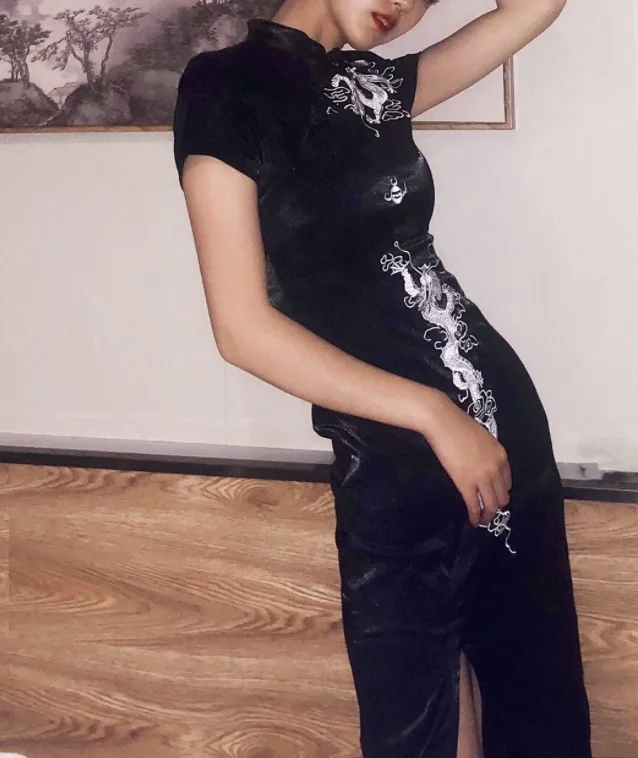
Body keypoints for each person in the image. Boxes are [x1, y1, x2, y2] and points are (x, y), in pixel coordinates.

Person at [172, 0, 592, 755]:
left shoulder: (378, 87)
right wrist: (434, 415)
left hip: (500, 431)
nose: (409, 3)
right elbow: (242, 330)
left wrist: (455, 419)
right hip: (398, 455)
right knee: (415, 726)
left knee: (528, 700)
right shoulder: (224, 85)